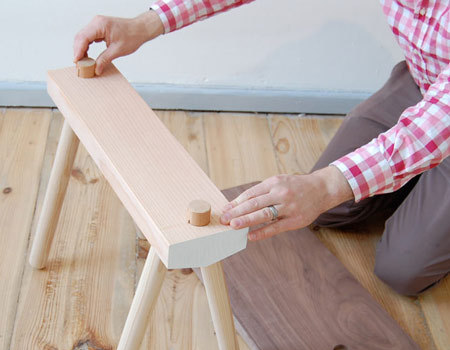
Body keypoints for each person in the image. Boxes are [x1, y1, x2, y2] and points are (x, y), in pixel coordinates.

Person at [74, 1, 449, 296]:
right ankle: (412, 181)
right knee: (331, 211)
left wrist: (324, 185)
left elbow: (434, 126)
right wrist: (145, 24)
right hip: (425, 86)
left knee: (400, 269)